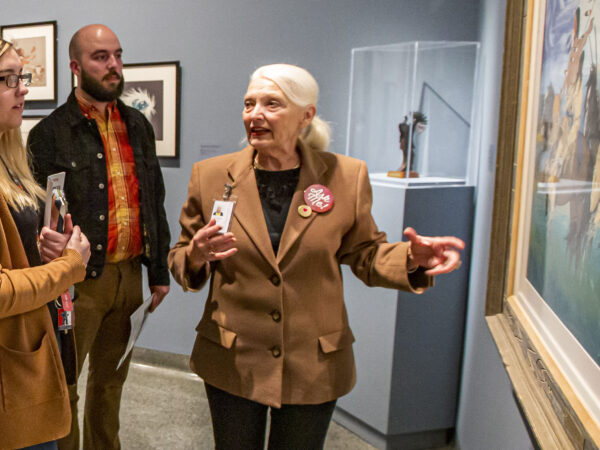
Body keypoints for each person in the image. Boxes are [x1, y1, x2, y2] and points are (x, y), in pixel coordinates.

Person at [168, 63, 465, 449]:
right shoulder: (210, 176)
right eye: (248, 104)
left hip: (313, 359)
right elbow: (179, 255)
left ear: (306, 115)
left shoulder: (345, 176)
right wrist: (196, 254)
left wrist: (412, 258)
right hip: (232, 354)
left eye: (272, 104)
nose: (255, 115)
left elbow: (365, 252)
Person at [27, 25, 171, 450]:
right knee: (66, 386)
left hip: (130, 276)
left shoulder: (138, 125)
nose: (113, 66)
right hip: (78, 284)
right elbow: (42, 222)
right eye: (100, 57)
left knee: (111, 384)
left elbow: (154, 200)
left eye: (118, 56)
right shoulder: (50, 133)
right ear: (75, 67)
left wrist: (159, 268)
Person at [0, 39, 91, 450]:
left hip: (34, 349)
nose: (23, 89)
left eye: (22, 77)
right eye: (7, 79)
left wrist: (45, 249)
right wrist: (69, 265)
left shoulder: (11, 157)